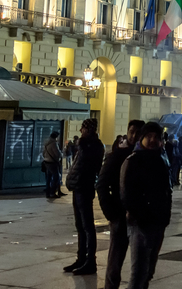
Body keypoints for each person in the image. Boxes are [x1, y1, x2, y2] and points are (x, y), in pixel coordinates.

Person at [120, 121, 172, 289]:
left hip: (158, 222)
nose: (152, 140)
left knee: (149, 270)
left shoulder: (161, 159)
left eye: (156, 137)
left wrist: (165, 216)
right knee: (139, 271)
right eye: (149, 136)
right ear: (142, 138)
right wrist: (138, 215)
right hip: (140, 224)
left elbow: (166, 190)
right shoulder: (133, 160)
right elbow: (126, 193)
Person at [95, 118, 144, 288]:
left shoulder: (146, 157)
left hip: (140, 217)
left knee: (140, 266)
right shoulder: (117, 155)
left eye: (138, 133)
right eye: (132, 132)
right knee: (115, 263)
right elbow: (101, 184)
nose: (134, 136)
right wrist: (111, 213)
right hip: (120, 216)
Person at [65, 118, 105, 275]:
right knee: (80, 225)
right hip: (78, 186)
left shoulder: (93, 145)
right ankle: (81, 258)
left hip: (84, 187)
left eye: (83, 128)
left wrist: (82, 144)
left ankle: (90, 261)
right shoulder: (85, 145)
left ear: (88, 130)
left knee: (87, 226)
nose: (80, 131)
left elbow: (88, 165)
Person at [41, 131, 63, 198]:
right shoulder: (54, 144)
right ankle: (52, 193)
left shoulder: (46, 143)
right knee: (56, 178)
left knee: (48, 178)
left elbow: (43, 153)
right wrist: (61, 154)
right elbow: (58, 154)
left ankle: (48, 193)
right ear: (56, 137)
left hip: (46, 162)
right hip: (52, 163)